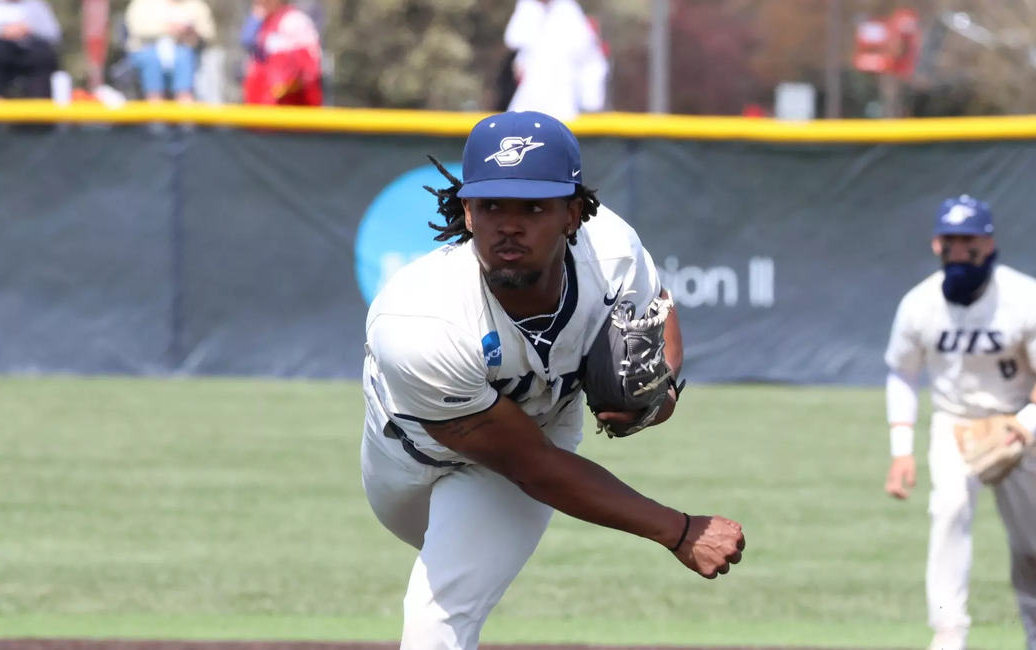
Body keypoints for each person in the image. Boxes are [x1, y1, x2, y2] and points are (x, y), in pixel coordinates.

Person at [360, 110, 746, 649]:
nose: (510, 224)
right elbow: (530, 466)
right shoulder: (421, 321)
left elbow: (659, 308)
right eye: (492, 204)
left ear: (574, 214)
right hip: (407, 460)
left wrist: (662, 395)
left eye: (534, 206)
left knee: (437, 617)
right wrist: (677, 530)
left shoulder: (610, 250)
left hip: (530, 442)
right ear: (467, 211)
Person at [883, 195, 1036, 650]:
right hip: (954, 424)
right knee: (947, 510)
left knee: (1032, 546)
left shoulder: (1024, 297)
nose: (958, 249)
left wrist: (1024, 425)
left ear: (987, 243)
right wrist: (901, 451)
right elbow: (902, 373)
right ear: (936, 243)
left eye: (968, 239)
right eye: (949, 239)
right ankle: (949, 634)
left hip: (1019, 426)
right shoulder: (919, 303)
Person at [123, 0, 215, 103]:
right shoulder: (143, 3)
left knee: (184, 57)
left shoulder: (197, 5)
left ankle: (185, 109)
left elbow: (208, 33)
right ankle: (155, 110)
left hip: (185, 52)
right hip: (146, 52)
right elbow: (136, 28)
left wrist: (191, 31)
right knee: (151, 61)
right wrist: (168, 29)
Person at [241, 0, 322, 107]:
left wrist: (285, 80)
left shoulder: (295, 20)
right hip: (264, 110)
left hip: (292, 109)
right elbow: (248, 44)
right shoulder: (264, 23)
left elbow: (310, 68)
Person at [0, 0, 60, 99]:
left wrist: (29, 29)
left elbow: (53, 34)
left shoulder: (37, 5)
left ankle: (39, 103)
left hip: (30, 50)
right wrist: (3, 32)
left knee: (43, 55)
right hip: (1, 52)